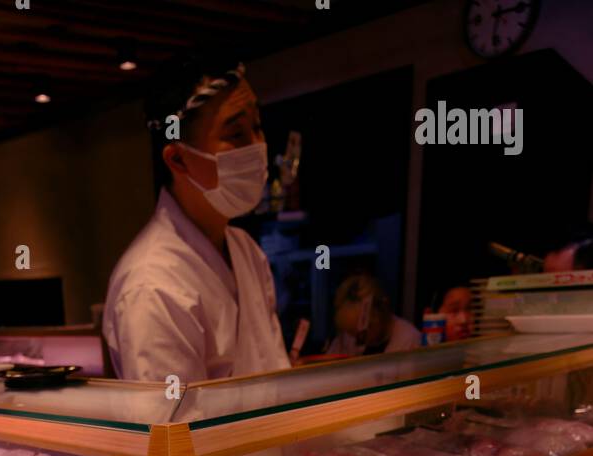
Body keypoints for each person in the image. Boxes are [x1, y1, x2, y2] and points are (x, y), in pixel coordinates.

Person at [103, 55, 289, 382]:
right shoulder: (152, 284)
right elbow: (173, 427)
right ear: (178, 159)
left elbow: (274, 374)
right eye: (236, 134)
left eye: (257, 127)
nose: (258, 146)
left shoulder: (245, 249)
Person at [326, 275, 421, 357]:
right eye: (351, 332)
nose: (358, 339)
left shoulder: (409, 340)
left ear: (381, 315)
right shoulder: (347, 338)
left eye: (363, 332)